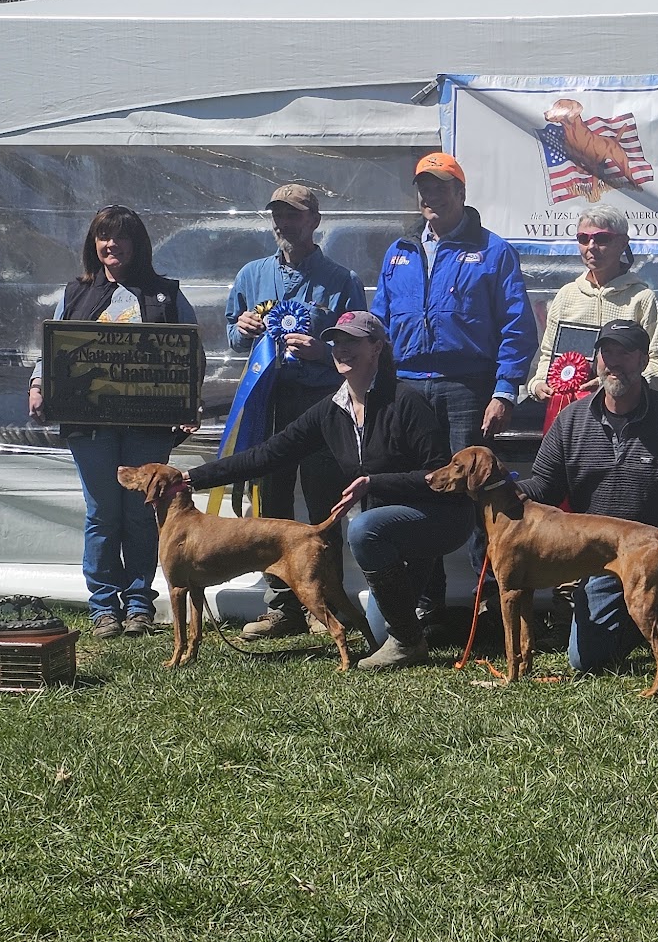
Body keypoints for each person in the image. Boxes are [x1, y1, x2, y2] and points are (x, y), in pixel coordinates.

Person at [184, 311, 472, 671]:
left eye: (353, 341)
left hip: (440, 517)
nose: (342, 349)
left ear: (377, 348)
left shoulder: (406, 401)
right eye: (337, 342)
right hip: (392, 528)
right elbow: (269, 454)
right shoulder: (330, 410)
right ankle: (408, 627)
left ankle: (410, 642)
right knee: (380, 625)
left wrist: (375, 483)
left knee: (364, 529)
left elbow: (441, 476)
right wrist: (192, 479)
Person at [372, 152, 538, 627]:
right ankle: (427, 601)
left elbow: (516, 327)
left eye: (441, 186)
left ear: (461, 193)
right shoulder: (398, 251)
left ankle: (489, 604)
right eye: (424, 187)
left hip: (468, 388)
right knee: (418, 488)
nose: (431, 195)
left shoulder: (493, 250)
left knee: (476, 494)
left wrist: (504, 390)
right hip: (406, 387)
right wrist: (376, 384)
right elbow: (380, 323)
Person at [28, 206, 197, 639]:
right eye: (104, 237)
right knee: (102, 514)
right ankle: (104, 607)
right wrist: (37, 383)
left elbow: (191, 354)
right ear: (94, 244)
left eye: (121, 237)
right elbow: (51, 347)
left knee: (142, 516)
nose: (111, 245)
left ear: (138, 244)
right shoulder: (75, 292)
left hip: (149, 423)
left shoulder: (167, 295)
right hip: (90, 426)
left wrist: (188, 403)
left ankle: (139, 605)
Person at [518, 319, 658, 677]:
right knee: (587, 661)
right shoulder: (571, 420)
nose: (614, 362)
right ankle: (641, 626)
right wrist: (503, 488)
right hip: (602, 552)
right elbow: (544, 487)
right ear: (596, 361)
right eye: (606, 352)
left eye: (624, 353)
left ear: (643, 361)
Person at [221, 181, 368, 639]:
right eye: (278, 215)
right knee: (271, 507)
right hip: (267, 403)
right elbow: (230, 331)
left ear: (315, 221)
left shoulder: (341, 281)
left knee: (326, 505)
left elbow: (361, 345)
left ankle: (326, 603)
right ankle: (281, 605)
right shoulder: (251, 275)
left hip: (323, 404)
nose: (284, 224)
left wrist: (323, 354)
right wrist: (242, 328)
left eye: (294, 215)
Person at [525, 206, 658, 404]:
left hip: (624, 413)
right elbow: (548, 356)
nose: (591, 246)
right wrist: (537, 384)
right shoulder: (565, 295)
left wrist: (617, 385)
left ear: (623, 243)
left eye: (602, 239)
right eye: (583, 238)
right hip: (568, 412)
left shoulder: (642, 298)